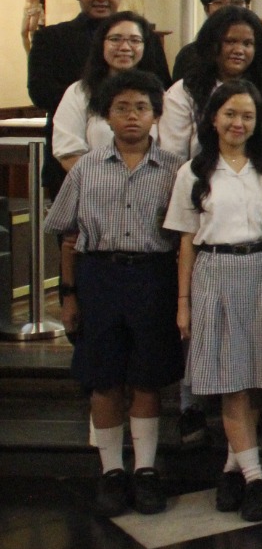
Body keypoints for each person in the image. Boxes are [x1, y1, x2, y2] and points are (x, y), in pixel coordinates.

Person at [44, 70, 183, 518]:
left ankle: (144, 469)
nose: (131, 117)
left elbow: (184, 238)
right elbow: (66, 233)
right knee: (103, 379)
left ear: (156, 116)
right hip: (99, 276)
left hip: (153, 277)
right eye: (122, 108)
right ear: (107, 115)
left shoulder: (173, 170)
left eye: (141, 108)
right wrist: (68, 293)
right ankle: (110, 470)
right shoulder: (86, 167)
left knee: (146, 377)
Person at [167, 81, 262, 523]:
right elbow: (185, 242)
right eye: (230, 114)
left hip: (259, 270)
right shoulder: (193, 173)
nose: (238, 123)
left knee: (252, 377)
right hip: (214, 273)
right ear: (212, 118)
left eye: (248, 116)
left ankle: (231, 468)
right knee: (231, 381)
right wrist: (183, 302)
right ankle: (255, 477)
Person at [28, 0, 170, 189]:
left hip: (146, 176)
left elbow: (162, 88)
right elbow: (40, 91)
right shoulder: (52, 38)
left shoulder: (147, 38)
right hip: (73, 163)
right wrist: (91, 103)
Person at [161, 6, 262, 159]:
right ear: (211, 43)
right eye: (230, 41)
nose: (239, 50)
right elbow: (173, 154)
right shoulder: (185, 91)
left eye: (247, 44)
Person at [52, 12, 160, 176]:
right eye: (115, 39)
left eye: (134, 40)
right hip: (94, 188)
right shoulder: (80, 92)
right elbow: (69, 152)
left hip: (150, 187)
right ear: (101, 44)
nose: (124, 47)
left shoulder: (159, 93)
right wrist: (106, 184)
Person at [172, 0, 253, 82]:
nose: (227, 8)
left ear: (247, 7)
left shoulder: (257, 52)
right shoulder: (189, 55)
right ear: (206, 8)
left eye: (236, 2)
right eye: (219, 2)